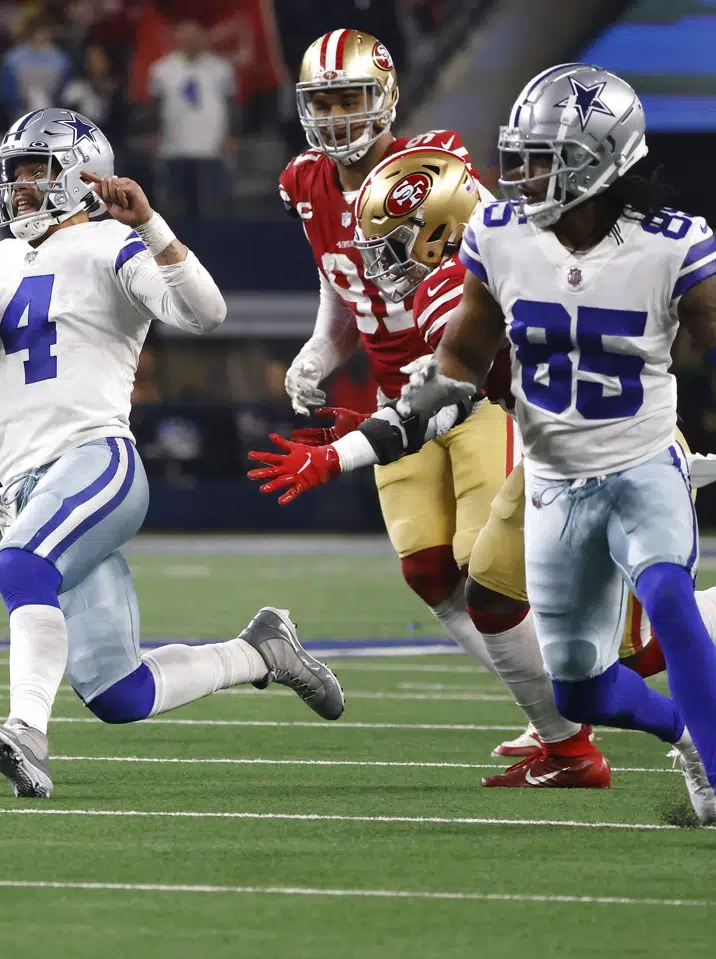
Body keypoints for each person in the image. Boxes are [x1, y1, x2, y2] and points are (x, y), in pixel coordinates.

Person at [0, 107, 343, 799]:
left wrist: (152, 226)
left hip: (96, 459)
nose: (20, 188)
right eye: (14, 174)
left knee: (22, 566)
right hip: (28, 488)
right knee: (120, 690)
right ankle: (263, 650)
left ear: (78, 172)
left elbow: (206, 312)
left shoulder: (112, 244)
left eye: (36, 170)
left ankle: (28, 731)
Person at [398, 64, 716, 823]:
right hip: (550, 483)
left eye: (543, 157)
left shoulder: (673, 245)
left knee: (667, 591)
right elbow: (465, 353)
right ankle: (687, 734)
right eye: (521, 156)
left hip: (642, 462)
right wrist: (439, 392)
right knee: (578, 687)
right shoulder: (501, 234)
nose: (522, 174)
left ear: (602, 158)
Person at [252, 145, 614, 787]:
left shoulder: (453, 285)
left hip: (591, 443)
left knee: (563, 603)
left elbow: (441, 405)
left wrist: (339, 455)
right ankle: (571, 740)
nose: (377, 264)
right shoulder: (470, 263)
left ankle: (610, 739)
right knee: (490, 587)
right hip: (577, 433)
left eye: (393, 243)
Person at [276, 29, 532, 757]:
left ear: (385, 96)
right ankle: (545, 708)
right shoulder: (305, 182)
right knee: (428, 570)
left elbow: (492, 253)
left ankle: (574, 701)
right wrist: (321, 348)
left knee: (491, 564)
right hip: (395, 406)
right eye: (323, 101)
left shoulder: (429, 167)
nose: (336, 116)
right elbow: (341, 281)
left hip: (474, 387)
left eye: (351, 97)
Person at [147, 20, 236, 218]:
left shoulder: (221, 69)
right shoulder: (161, 69)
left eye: (195, 38)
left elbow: (231, 104)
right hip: (174, 148)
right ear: (177, 39)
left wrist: (231, 135)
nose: (190, 42)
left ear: (203, 39)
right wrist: (154, 134)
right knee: (177, 209)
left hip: (210, 149)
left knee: (212, 209)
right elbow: (154, 107)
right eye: (186, 38)